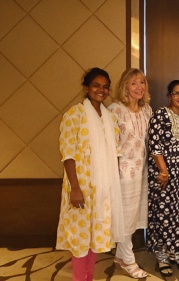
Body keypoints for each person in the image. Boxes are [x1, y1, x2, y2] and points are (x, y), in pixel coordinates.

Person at [56, 67, 124, 281]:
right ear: (86, 88)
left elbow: (116, 154)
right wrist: (75, 188)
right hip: (81, 186)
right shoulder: (74, 114)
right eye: (96, 85)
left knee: (95, 236)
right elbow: (68, 154)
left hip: (102, 188)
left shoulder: (110, 118)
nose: (101, 90)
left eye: (105, 87)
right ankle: (79, 278)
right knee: (79, 237)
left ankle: (89, 277)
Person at [147, 80, 179, 278]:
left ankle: (175, 252)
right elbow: (155, 145)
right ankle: (161, 256)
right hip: (164, 173)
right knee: (163, 214)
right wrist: (164, 171)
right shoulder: (160, 114)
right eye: (176, 93)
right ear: (169, 96)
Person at [108, 68, 151, 278]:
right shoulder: (115, 110)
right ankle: (128, 261)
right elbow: (110, 144)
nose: (139, 87)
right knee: (124, 217)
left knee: (134, 216)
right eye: (133, 83)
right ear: (125, 86)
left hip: (141, 172)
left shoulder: (147, 110)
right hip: (122, 173)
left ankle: (120, 254)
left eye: (142, 82)